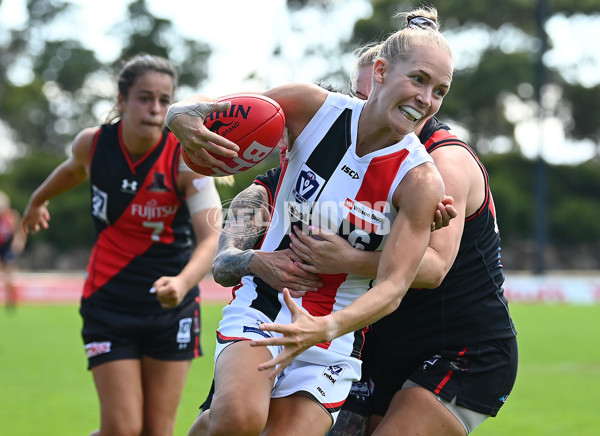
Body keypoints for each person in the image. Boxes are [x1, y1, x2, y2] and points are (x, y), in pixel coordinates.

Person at [167, 6, 454, 435]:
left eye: (439, 91)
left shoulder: (420, 179)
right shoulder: (310, 108)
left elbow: (394, 287)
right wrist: (180, 118)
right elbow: (208, 107)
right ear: (379, 71)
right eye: (418, 79)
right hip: (264, 303)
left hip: (333, 333)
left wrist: (324, 326)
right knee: (238, 422)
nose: (426, 99)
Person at [288, 30, 518, 436]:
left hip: (462, 349)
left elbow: (432, 270)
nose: (361, 111)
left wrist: (349, 259)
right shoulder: (355, 148)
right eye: (356, 99)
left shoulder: (441, 163)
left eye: (435, 89)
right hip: (386, 341)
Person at [21, 54, 223, 436]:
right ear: (121, 100)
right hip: (108, 301)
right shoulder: (93, 144)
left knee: (156, 431)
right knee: (122, 430)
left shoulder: (186, 158)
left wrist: (181, 283)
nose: (155, 108)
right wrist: (37, 200)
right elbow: (70, 171)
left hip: (171, 307)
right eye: (145, 97)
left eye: (165, 100)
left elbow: (212, 236)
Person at [0, 190, 26, 311]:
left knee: (9, 276)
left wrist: (18, 242)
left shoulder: (11, 216)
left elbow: (19, 232)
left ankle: (11, 301)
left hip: (7, 249)